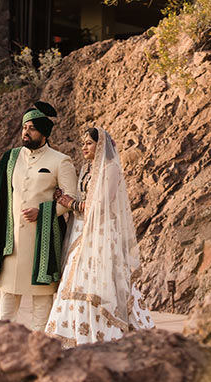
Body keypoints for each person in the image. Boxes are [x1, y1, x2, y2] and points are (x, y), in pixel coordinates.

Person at [45, 127, 155, 346]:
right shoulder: (87, 168)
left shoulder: (110, 168)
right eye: (83, 143)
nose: (84, 147)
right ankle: (76, 335)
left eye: (88, 143)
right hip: (81, 230)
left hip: (102, 234)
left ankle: (103, 335)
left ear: (100, 145)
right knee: (74, 281)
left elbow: (102, 205)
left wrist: (70, 203)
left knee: (100, 282)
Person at [0, 101, 78, 331]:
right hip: (11, 245)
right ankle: (4, 347)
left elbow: (71, 198)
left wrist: (43, 211)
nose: (25, 132)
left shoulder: (60, 161)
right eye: (24, 127)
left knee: (41, 305)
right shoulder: (10, 159)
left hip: (42, 245)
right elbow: (1, 198)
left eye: (31, 128)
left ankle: (38, 350)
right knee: (6, 305)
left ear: (44, 132)